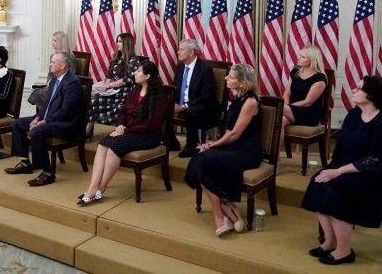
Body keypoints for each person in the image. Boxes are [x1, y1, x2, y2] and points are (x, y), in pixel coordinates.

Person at [301, 75, 382, 265]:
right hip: (350, 166)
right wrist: (332, 168)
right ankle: (330, 240)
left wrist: (338, 171)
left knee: (338, 190)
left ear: (372, 95)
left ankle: (344, 250)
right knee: (318, 181)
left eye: (359, 88)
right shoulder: (353, 114)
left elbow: (376, 160)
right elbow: (344, 147)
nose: (353, 90)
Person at [184, 64, 261, 237]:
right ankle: (223, 206)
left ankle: (220, 213)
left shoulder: (250, 101)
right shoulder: (238, 98)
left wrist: (213, 145)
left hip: (245, 150)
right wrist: (213, 143)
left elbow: (234, 134)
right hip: (232, 146)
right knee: (198, 159)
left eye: (231, 77)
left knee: (203, 161)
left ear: (242, 83)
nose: (226, 78)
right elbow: (228, 132)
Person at [77, 60, 167, 205]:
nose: (134, 73)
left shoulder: (159, 97)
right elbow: (123, 112)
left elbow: (151, 125)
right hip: (128, 131)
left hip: (148, 136)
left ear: (148, 76)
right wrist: (119, 125)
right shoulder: (135, 90)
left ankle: (102, 188)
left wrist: (125, 130)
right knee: (102, 145)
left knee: (114, 148)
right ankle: (92, 188)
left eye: (138, 71)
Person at [5, 52, 84, 186]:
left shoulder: (72, 84)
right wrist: (37, 118)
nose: (50, 64)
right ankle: (25, 162)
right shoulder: (54, 80)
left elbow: (66, 112)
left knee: (36, 131)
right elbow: (46, 105)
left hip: (66, 124)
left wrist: (44, 121)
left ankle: (47, 173)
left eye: (53, 62)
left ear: (63, 65)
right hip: (50, 118)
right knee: (18, 123)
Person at [86, 33, 139, 138]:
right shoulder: (116, 58)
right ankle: (87, 130)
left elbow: (126, 80)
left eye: (120, 41)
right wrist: (105, 86)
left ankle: (116, 132)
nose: (117, 44)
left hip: (124, 92)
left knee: (108, 104)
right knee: (93, 99)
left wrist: (109, 86)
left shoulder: (134, 60)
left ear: (127, 43)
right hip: (112, 90)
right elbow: (109, 75)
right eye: (117, 41)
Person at [173, 39, 220, 158]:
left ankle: (191, 145)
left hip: (203, 106)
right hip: (182, 104)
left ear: (191, 53)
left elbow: (206, 95)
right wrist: (172, 103)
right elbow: (175, 89)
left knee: (190, 112)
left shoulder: (204, 69)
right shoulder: (179, 67)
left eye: (181, 49)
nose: (178, 52)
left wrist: (183, 106)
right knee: (160, 106)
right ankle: (171, 141)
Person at [281, 45, 328, 146]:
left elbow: (308, 102)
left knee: (276, 108)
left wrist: (287, 107)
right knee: (280, 120)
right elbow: (287, 93)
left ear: (312, 60)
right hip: (292, 109)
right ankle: (275, 157)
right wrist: (287, 105)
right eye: (299, 55)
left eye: (302, 57)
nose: (298, 57)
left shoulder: (320, 78)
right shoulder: (295, 72)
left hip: (309, 114)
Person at [27, 31, 71, 109]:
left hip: (62, 87)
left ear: (62, 42)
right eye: (52, 41)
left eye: (55, 41)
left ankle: (45, 116)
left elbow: (71, 75)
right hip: (52, 85)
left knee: (39, 93)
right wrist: (49, 81)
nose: (53, 43)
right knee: (38, 92)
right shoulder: (53, 55)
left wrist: (54, 82)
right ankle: (43, 115)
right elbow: (50, 74)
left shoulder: (70, 57)